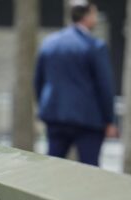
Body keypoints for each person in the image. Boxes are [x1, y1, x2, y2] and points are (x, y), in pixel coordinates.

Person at [34, 0, 116, 166]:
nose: (96, 19)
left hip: (55, 115)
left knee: (52, 166)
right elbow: (104, 85)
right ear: (86, 16)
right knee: (89, 170)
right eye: (94, 14)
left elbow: (38, 80)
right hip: (88, 119)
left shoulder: (49, 43)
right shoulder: (95, 46)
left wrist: (44, 105)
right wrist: (109, 120)